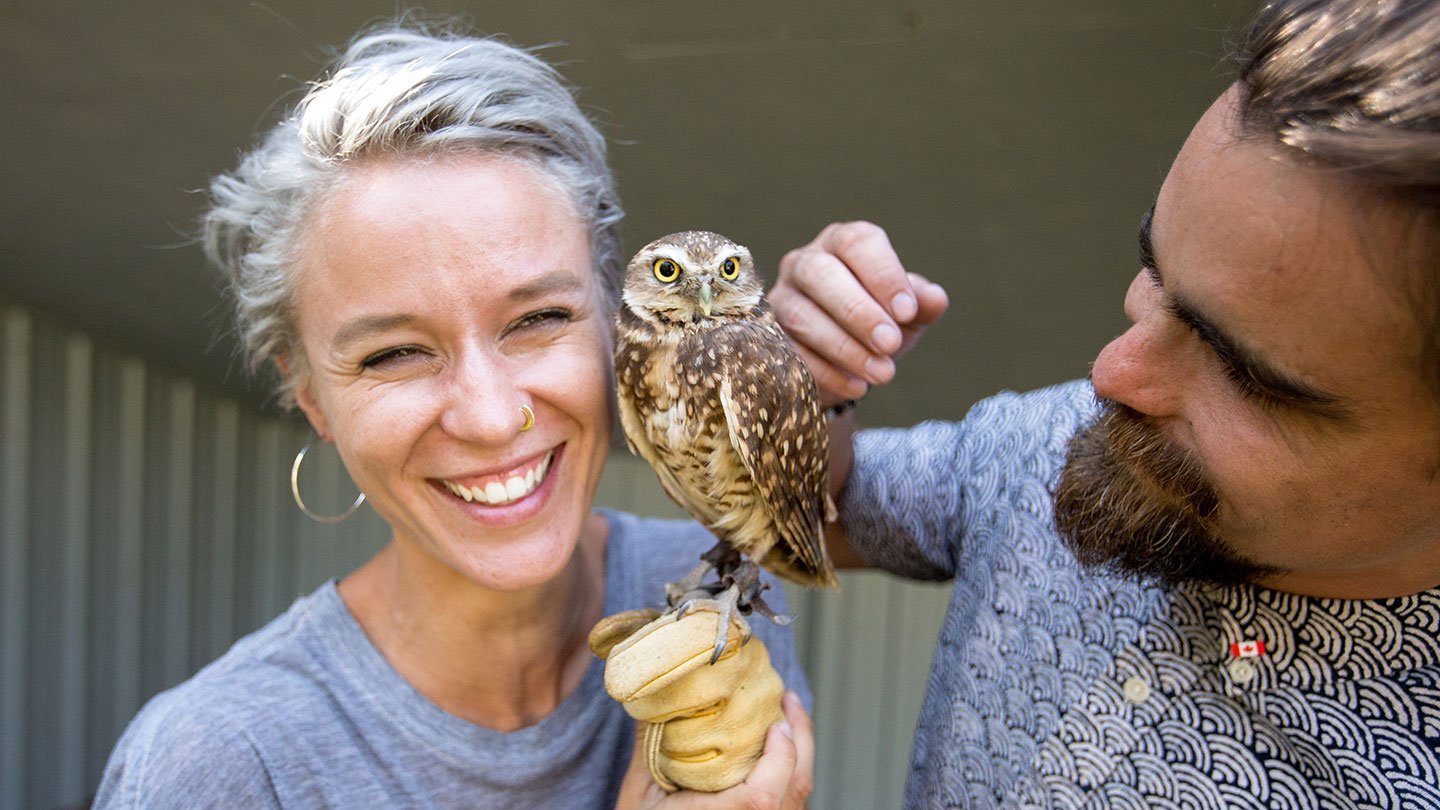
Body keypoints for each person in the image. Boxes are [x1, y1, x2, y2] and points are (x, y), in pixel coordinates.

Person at [89, 23, 892, 809]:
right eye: (392, 354)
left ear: (616, 320)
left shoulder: (721, 595)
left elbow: (824, 491)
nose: (489, 416)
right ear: (310, 399)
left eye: (537, 319)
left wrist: (816, 383)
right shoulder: (217, 765)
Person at [770, 0, 1440, 806]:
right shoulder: (1053, 441)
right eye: (1153, 273)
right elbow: (810, 519)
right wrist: (796, 386)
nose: (1112, 374)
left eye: (1245, 375)